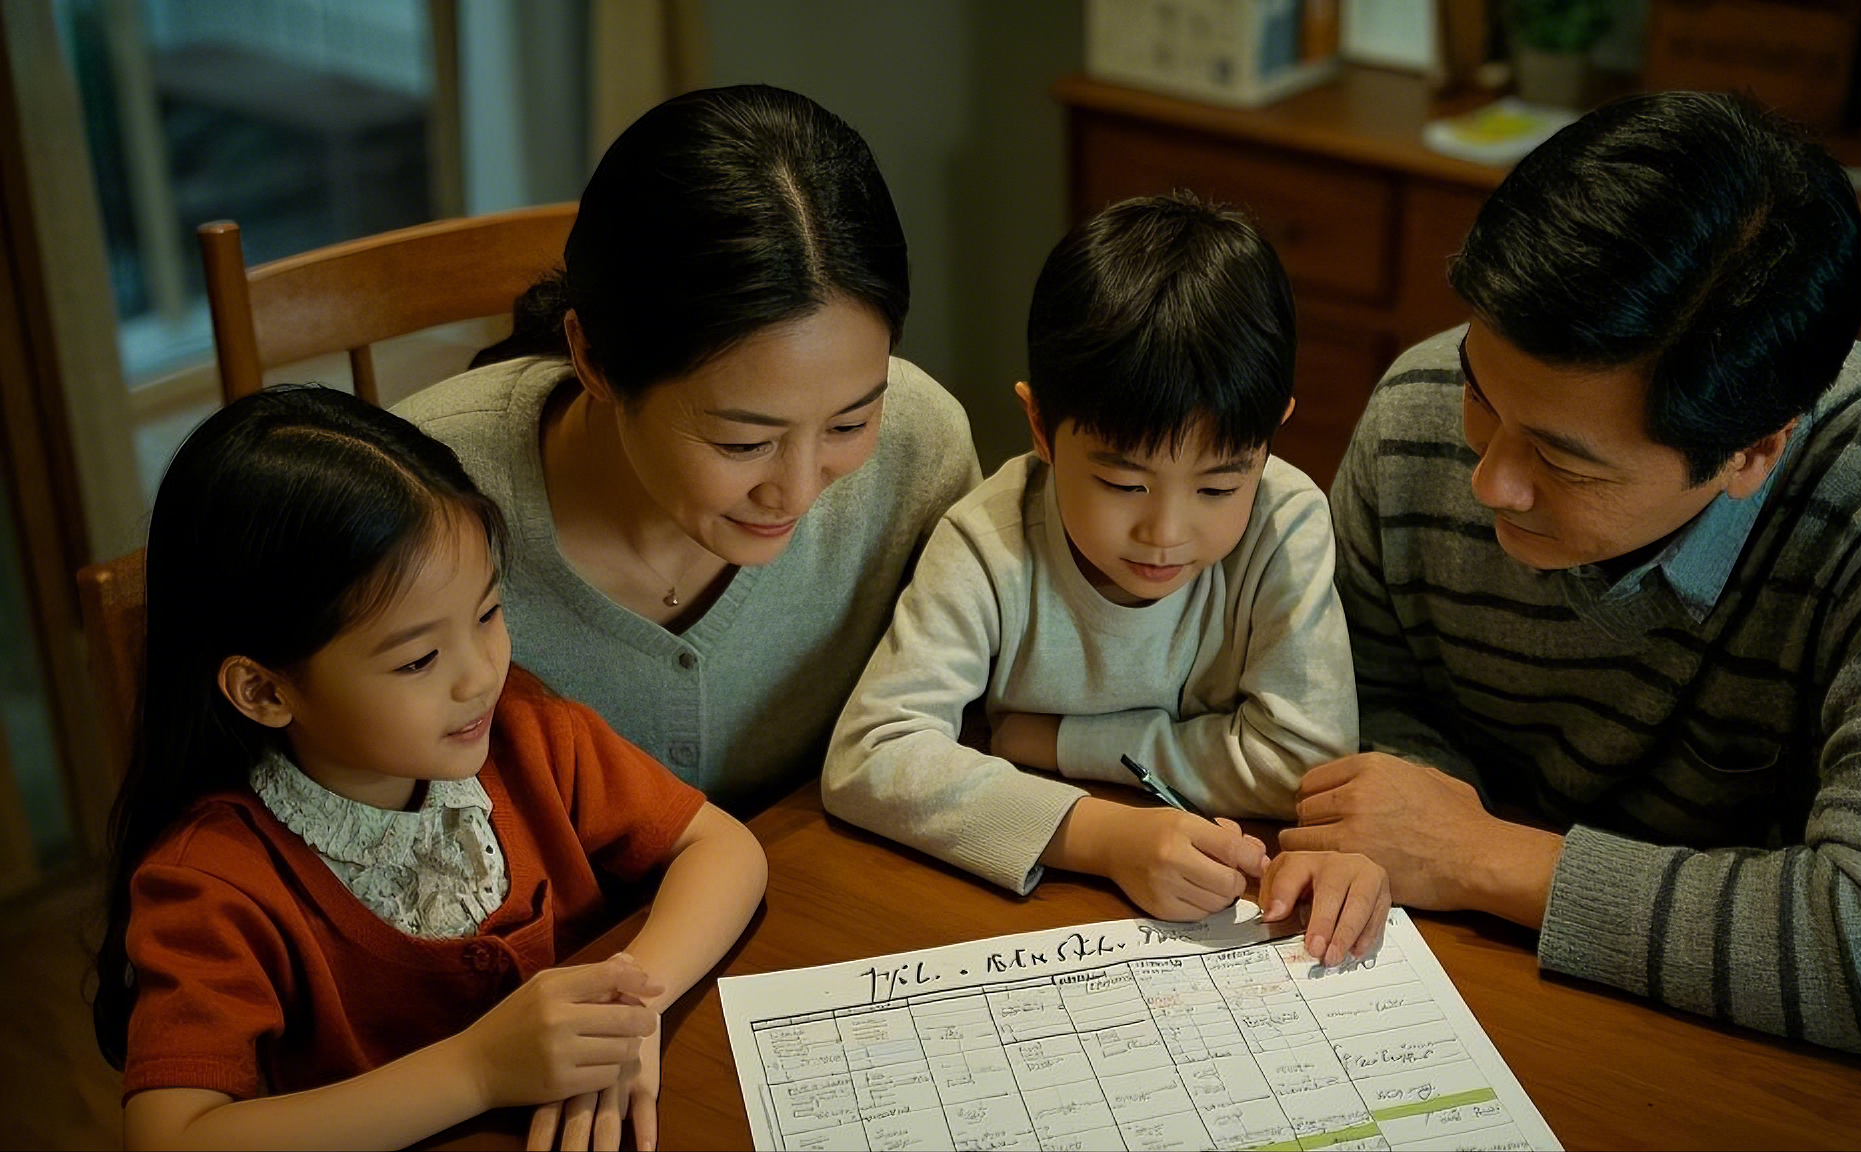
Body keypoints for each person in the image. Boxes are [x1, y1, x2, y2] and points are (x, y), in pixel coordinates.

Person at [1293, 91, 1861, 1065]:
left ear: (1749, 453)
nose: (1488, 480)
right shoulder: (1419, 411)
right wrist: (1413, 809)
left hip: (1741, 1065)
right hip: (1471, 996)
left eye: (1562, 462)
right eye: (1481, 396)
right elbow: (1368, 704)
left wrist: (1475, 856)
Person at [95, 387, 766, 1150]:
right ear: (265, 689)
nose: (479, 674)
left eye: (487, 613)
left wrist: (630, 1011)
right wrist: (477, 1069)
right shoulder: (214, 880)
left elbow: (725, 849)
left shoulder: (526, 733)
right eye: (418, 658)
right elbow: (171, 1137)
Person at [825, 194, 1382, 964]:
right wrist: (1101, 834)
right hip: (1034, 899)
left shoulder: (1285, 520)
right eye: (1124, 484)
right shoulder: (989, 542)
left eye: (1219, 487)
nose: (1166, 531)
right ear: (1040, 427)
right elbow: (871, 755)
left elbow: (1306, 766)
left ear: (1272, 432)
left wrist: (1065, 741)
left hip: (1216, 890)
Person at [396, 86, 978, 816]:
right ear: (595, 359)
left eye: (848, 424)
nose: (796, 491)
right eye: (744, 441)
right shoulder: (416, 501)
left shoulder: (919, 447)